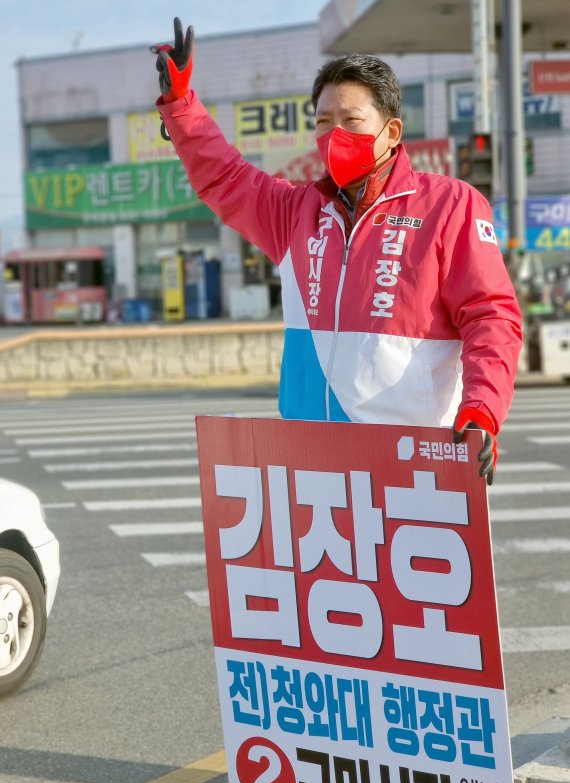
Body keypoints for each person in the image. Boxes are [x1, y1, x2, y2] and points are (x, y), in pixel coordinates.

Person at [151, 18, 523, 485]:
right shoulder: (293, 211)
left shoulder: (451, 205)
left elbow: (491, 315)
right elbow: (224, 176)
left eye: (351, 121)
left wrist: (482, 410)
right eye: (323, 122)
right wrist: (181, 106)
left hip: (414, 461)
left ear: (391, 132)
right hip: (313, 461)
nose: (334, 134)